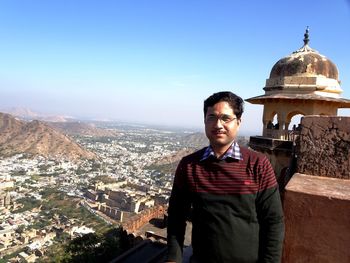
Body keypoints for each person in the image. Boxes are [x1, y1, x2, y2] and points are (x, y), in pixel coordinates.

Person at [166, 91, 284, 263]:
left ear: (238, 122)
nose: (218, 125)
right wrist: (173, 258)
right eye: (211, 117)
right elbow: (177, 216)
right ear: (205, 122)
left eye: (225, 118)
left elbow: (273, 221)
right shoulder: (189, 165)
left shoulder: (258, 164)